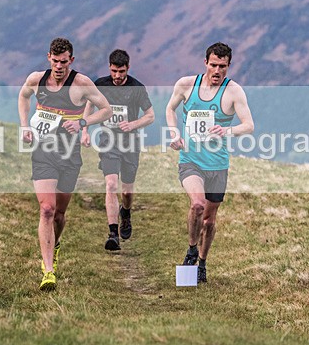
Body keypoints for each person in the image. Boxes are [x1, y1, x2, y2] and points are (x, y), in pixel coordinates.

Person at [18, 37, 112, 291]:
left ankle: (54, 246)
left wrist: (83, 123)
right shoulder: (37, 79)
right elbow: (23, 95)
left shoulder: (81, 84)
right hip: (43, 152)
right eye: (55, 61)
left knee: (59, 214)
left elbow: (107, 110)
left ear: (71, 60)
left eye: (64, 62)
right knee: (46, 209)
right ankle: (48, 270)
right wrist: (25, 125)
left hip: (70, 157)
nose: (59, 66)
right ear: (49, 57)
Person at [165, 42, 254, 283]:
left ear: (228, 66)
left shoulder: (234, 91)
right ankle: (192, 250)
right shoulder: (186, 85)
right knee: (197, 205)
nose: (217, 71)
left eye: (222, 67)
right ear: (205, 62)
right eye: (213, 65)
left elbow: (249, 125)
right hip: (191, 160)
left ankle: (201, 264)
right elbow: (170, 109)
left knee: (209, 219)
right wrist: (174, 133)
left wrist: (226, 130)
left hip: (217, 165)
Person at [81, 49, 154, 251]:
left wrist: (133, 125)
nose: (118, 76)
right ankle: (113, 233)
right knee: (111, 185)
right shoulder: (101, 85)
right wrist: (85, 130)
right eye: (114, 71)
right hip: (108, 141)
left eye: (121, 71)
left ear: (127, 68)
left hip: (130, 144)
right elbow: (89, 107)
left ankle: (126, 213)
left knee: (127, 191)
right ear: (109, 68)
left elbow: (150, 116)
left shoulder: (137, 88)